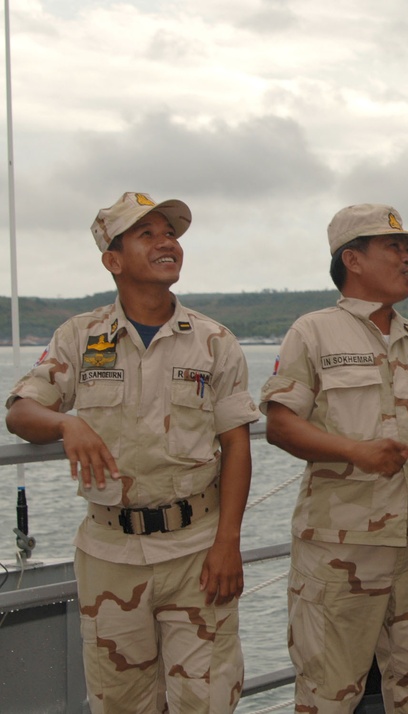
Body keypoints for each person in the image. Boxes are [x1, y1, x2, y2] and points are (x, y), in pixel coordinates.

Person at [6, 191, 260, 713]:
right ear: (113, 260)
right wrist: (66, 422)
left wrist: (229, 541)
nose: (167, 242)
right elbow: (19, 411)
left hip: (197, 551)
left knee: (208, 702)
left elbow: (236, 445)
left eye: (170, 233)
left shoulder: (214, 341)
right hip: (109, 555)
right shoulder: (80, 337)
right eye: (148, 234)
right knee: (121, 705)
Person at [260, 203, 408, 714]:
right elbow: (281, 424)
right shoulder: (313, 332)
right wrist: (357, 452)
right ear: (352, 259)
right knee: (330, 693)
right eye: (394, 248)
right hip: (342, 548)